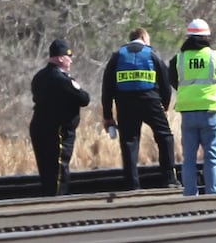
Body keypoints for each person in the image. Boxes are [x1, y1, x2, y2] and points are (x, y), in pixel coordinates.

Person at [101, 27, 178, 190]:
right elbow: (166, 83)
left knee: (129, 141)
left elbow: (107, 87)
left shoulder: (117, 56)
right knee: (165, 137)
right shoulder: (151, 54)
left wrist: (108, 115)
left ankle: (132, 184)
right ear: (143, 37)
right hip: (151, 101)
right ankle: (169, 179)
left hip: (125, 104)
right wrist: (164, 105)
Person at [168, 18, 216, 196]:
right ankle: (213, 194)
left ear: (188, 36)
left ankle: (190, 194)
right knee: (212, 158)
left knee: (189, 159)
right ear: (207, 37)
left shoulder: (179, 59)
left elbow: (174, 81)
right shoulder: (215, 57)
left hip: (188, 114)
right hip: (209, 113)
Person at [30, 39, 90, 196]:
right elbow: (84, 99)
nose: (71, 60)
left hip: (39, 127)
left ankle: (48, 199)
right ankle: (56, 205)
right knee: (58, 173)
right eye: (68, 56)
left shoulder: (39, 76)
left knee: (46, 171)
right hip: (58, 131)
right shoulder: (62, 79)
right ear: (60, 58)